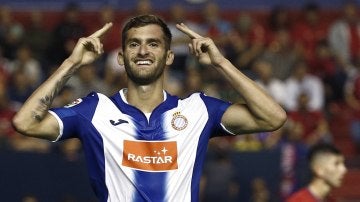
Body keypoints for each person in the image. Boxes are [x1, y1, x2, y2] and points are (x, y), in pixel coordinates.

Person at [12, 15, 286, 201]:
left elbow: (273, 117)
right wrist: (71, 64)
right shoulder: (95, 110)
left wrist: (221, 63)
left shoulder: (199, 109)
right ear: (121, 57)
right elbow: (25, 123)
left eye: (153, 44)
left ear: (168, 57)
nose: (143, 51)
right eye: (134, 44)